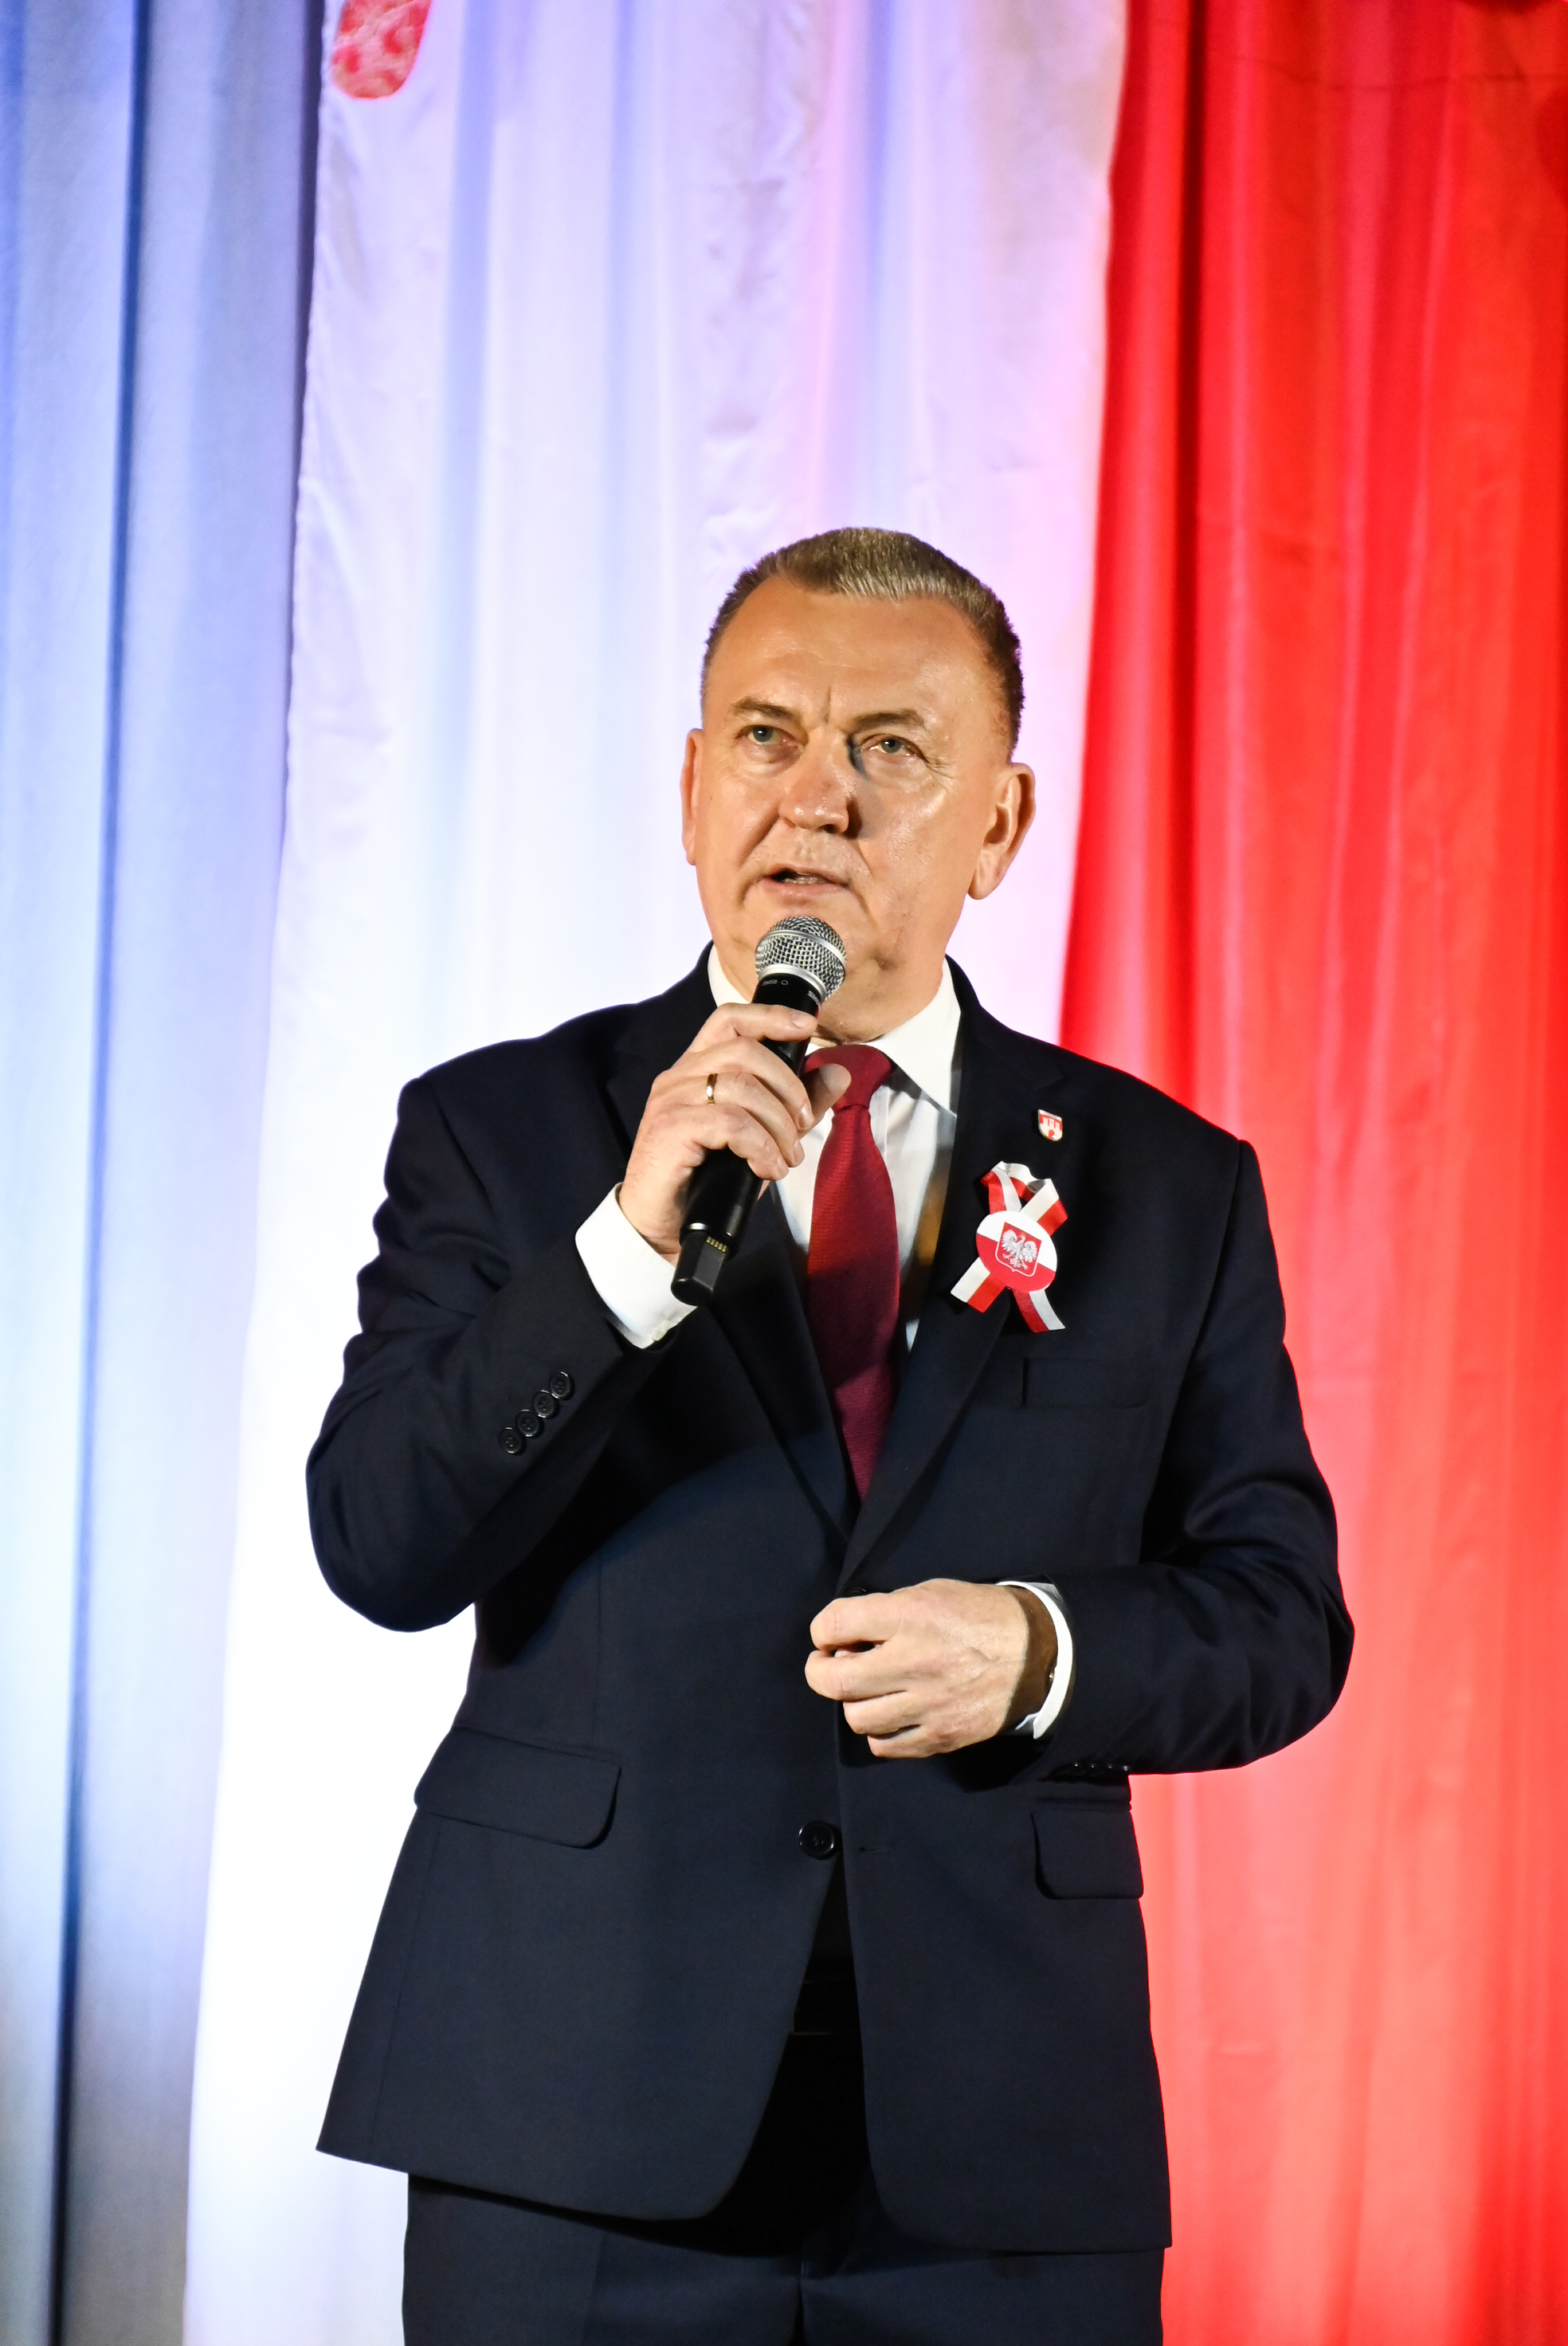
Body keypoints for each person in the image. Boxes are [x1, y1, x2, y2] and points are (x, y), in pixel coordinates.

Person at [308, 528, 1351, 2345]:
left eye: (890, 748)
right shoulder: (502, 1128)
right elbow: (383, 1542)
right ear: (691, 790)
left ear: (999, 825)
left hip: (999, 2145)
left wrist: (1042, 1649)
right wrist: (624, 1255)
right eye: (767, 736)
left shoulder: (1168, 1185)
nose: (816, 798)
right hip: (568, 2111)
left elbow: (1278, 1617)